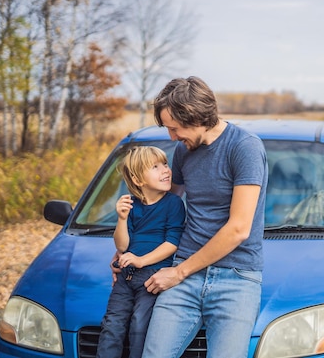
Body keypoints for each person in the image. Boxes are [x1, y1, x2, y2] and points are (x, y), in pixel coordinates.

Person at [141, 76, 268, 358]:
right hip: (184, 274)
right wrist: (130, 254)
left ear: (197, 116)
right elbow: (164, 209)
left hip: (237, 277)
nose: (172, 137)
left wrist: (178, 272)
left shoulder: (244, 148)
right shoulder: (183, 151)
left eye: (175, 128)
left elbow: (238, 229)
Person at [96, 146, 186, 358]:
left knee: (139, 325)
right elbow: (122, 247)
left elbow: (172, 243)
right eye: (155, 167)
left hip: (152, 278)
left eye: (165, 164)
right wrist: (121, 218)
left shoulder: (173, 204)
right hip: (126, 278)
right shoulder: (130, 204)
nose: (165, 170)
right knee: (112, 325)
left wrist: (141, 261)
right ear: (137, 180)